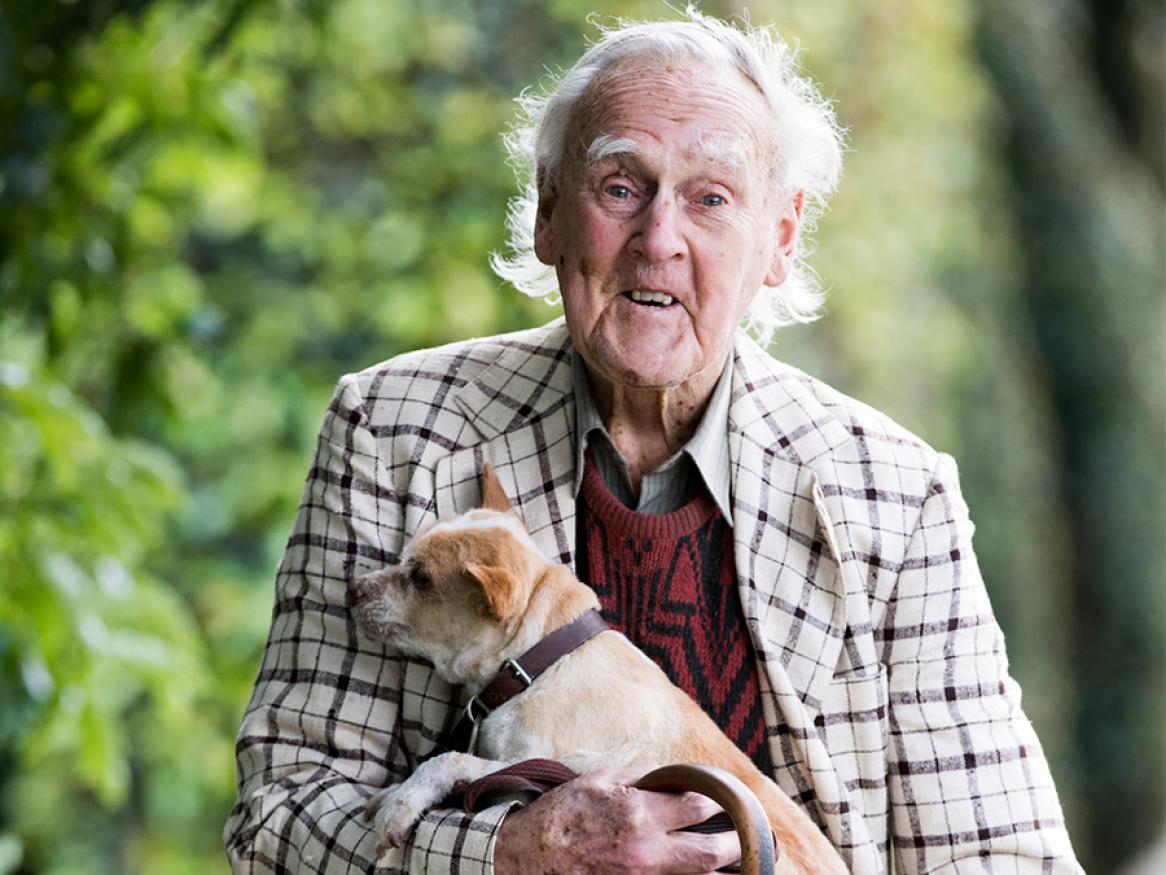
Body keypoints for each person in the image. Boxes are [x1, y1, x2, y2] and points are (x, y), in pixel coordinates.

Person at [225, 9, 1084, 874]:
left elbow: (1002, 853)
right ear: (550, 213)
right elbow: (280, 817)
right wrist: (515, 852)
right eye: (620, 187)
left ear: (778, 239)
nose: (659, 241)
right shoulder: (394, 430)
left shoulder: (893, 494)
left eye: (710, 199)